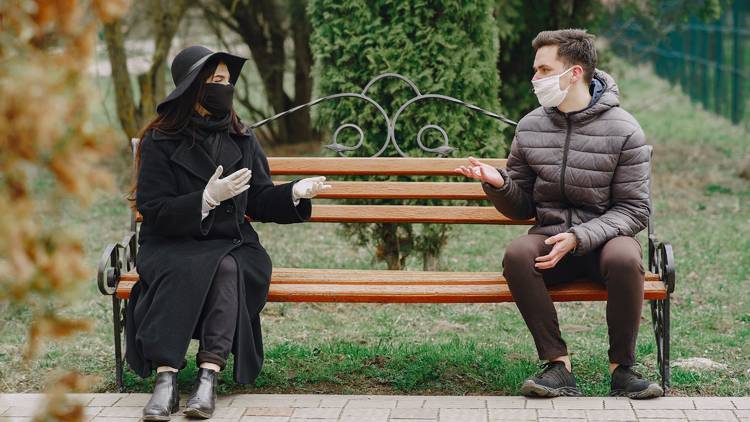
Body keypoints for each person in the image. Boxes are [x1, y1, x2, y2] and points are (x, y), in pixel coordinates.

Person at [124, 45, 331, 420]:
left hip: (231, 244)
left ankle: (209, 374)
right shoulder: (159, 140)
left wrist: (295, 193)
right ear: (192, 87)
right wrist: (204, 199)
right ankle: (166, 378)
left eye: (226, 80)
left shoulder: (242, 138)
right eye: (214, 80)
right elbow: (152, 210)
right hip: (171, 241)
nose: (223, 86)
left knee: (226, 267)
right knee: (184, 267)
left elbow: (261, 199)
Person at [455, 29, 662, 399]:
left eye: (543, 69)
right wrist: (498, 183)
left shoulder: (624, 130)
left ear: (574, 73)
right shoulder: (530, 127)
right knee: (518, 253)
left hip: (602, 245)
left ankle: (623, 370)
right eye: (535, 70)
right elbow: (521, 207)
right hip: (550, 243)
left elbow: (634, 209)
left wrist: (580, 237)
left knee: (627, 256)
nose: (535, 79)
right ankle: (557, 366)